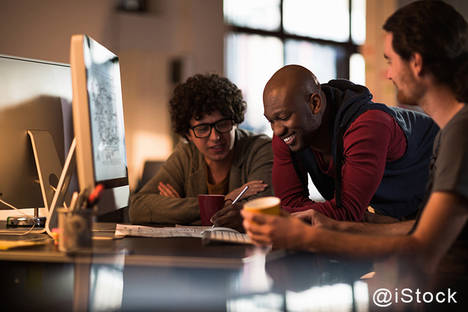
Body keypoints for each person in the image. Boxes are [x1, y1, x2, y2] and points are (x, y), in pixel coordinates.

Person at [243, 0, 468, 281]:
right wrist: (336, 227)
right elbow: (418, 229)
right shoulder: (451, 132)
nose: (387, 74)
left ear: (416, 63)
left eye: (389, 60)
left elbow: (421, 248)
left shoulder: (460, 133)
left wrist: (308, 237)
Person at [264, 63, 438, 222]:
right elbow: (289, 204)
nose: (277, 130)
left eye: (284, 117)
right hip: (391, 208)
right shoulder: (288, 134)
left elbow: (347, 211)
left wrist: (272, 216)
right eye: (271, 121)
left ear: (315, 104)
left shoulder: (368, 125)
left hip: (437, 191)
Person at [130, 74, 273, 228]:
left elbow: (261, 213)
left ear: (235, 122)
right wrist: (225, 201)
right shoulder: (186, 154)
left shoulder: (261, 148)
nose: (215, 137)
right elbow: (138, 208)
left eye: (223, 124)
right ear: (188, 134)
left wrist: (179, 209)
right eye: (203, 129)